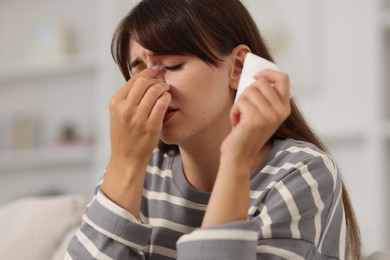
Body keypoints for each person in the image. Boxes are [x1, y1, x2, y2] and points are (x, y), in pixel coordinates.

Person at [66, 0, 361, 259]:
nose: (152, 86)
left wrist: (236, 159)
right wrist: (125, 162)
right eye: (138, 71)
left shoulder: (301, 173)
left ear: (237, 67)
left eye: (173, 64)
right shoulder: (136, 170)